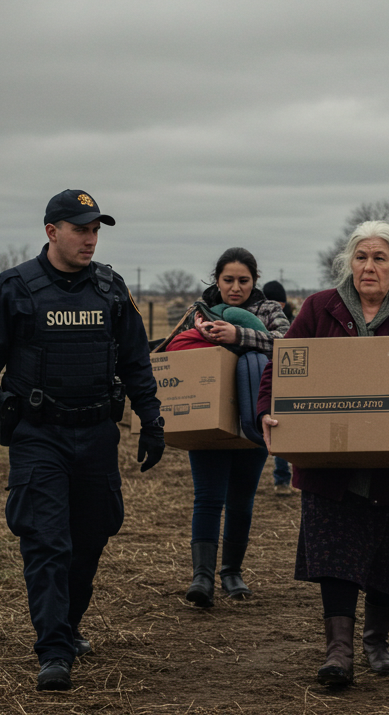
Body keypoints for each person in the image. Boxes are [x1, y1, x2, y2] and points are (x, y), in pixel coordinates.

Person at [0, 190, 164, 691]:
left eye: (96, 230)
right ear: (52, 232)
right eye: (80, 229)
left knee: (90, 539)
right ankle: (53, 649)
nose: (90, 239)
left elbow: (136, 362)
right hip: (38, 435)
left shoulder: (112, 290)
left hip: (96, 434)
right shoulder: (14, 289)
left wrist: (152, 422)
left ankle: (66, 626)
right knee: (47, 541)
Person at [257, 221, 389, 687]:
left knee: (386, 556)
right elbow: (282, 367)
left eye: (380, 258)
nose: (369, 267)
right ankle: (339, 651)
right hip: (331, 462)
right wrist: (267, 411)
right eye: (362, 257)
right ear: (349, 262)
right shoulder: (319, 308)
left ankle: (377, 640)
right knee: (335, 553)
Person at [167, 248, 288, 607]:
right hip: (207, 418)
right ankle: (201, 577)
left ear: (255, 281)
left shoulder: (269, 311)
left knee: (241, 500)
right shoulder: (196, 313)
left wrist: (240, 336)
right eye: (228, 280)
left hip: (255, 419)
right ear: (216, 279)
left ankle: (232, 571)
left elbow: (289, 345)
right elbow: (174, 351)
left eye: (244, 281)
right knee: (207, 498)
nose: (235, 288)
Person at [261, 279, 297, 496]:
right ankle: (280, 479)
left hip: (288, 383)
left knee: (284, 428)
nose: (276, 306)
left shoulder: (294, 323)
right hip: (265, 379)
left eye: (279, 303)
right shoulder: (258, 320)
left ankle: (287, 479)